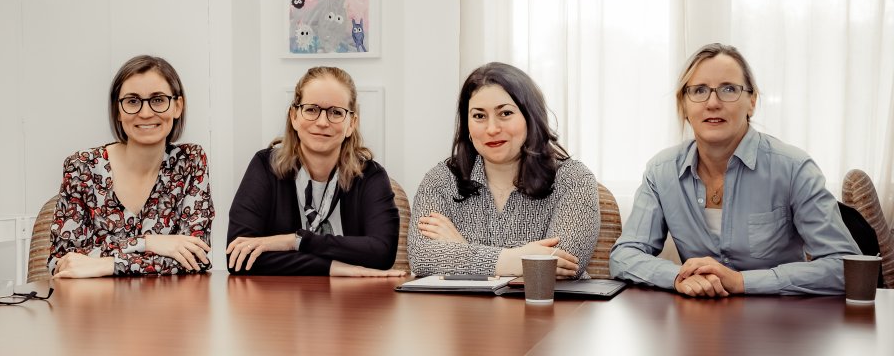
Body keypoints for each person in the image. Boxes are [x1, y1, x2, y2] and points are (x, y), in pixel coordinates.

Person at [610, 43, 860, 296]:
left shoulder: (794, 168)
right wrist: (678, 277)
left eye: (729, 89)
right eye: (699, 90)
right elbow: (624, 256)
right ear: (684, 105)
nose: (713, 103)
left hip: (781, 323)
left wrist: (741, 281)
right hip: (698, 322)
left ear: (752, 102)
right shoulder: (661, 172)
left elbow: (845, 266)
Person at [407, 62, 599, 278]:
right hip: (463, 311)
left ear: (530, 117)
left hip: (547, 310)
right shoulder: (441, 179)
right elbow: (421, 256)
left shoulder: (574, 179)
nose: (492, 129)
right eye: (479, 116)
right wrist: (512, 260)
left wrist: (460, 248)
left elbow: (564, 262)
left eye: (505, 113)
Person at [226, 66, 404, 276]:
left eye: (336, 113)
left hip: (353, 303)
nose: (322, 122)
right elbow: (239, 256)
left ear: (351, 124)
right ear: (294, 116)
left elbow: (382, 252)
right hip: (281, 304)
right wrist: (335, 268)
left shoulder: (371, 176)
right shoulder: (265, 167)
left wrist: (296, 241)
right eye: (311, 109)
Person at [50, 55, 213, 278]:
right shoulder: (82, 167)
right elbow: (62, 263)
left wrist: (107, 265)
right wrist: (148, 242)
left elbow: (196, 257)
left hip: (170, 308)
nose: (145, 113)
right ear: (117, 111)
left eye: (158, 100)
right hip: (95, 307)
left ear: (178, 106)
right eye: (132, 101)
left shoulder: (190, 162)